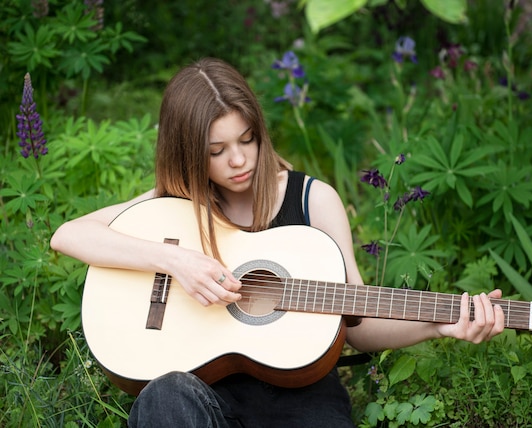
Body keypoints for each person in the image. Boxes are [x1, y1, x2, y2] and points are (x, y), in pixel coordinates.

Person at [50, 57, 505, 428]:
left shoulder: (314, 201)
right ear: (187, 153)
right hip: (197, 397)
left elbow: (359, 325)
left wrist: (439, 323)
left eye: (247, 139)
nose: (238, 160)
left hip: (302, 402)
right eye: (216, 150)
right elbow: (68, 234)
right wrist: (177, 260)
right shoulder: (176, 206)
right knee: (165, 399)